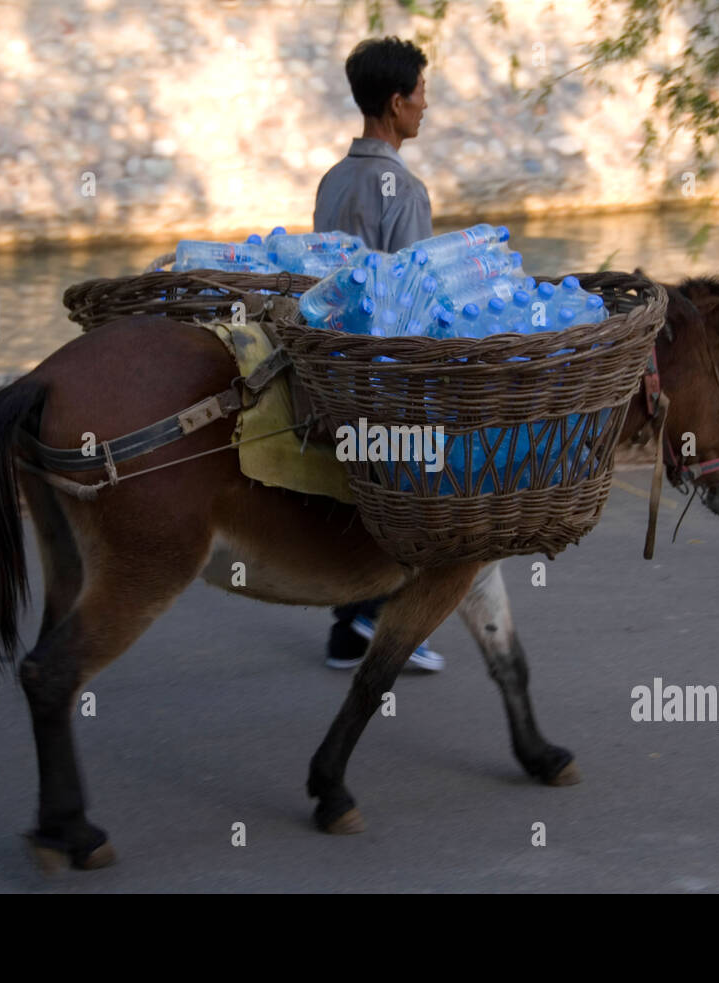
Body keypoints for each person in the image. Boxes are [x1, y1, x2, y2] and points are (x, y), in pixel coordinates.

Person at [312, 36, 444, 673]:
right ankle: (380, 619)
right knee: (438, 475)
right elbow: (413, 298)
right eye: (420, 93)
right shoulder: (405, 190)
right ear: (395, 103)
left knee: (358, 489)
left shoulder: (334, 180)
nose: (427, 105)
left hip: (330, 364)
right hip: (384, 372)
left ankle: (348, 629)